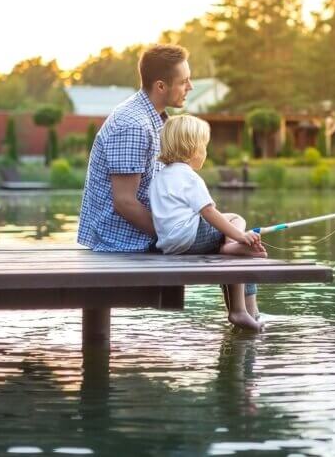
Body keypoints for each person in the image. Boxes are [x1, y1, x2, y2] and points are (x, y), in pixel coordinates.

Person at [149, 114, 267, 331]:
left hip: (170, 245)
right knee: (236, 221)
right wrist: (240, 236)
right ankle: (242, 310)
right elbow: (210, 212)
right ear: (193, 149)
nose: (206, 151)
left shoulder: (159, 178)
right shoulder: (189, 177)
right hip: (190, 238)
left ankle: (251, 310)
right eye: (204, 146)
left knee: (238, 245)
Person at [77, 44, 192, 252]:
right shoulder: (133, 125)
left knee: (235, 236)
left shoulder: (155, 118)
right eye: (184, 82)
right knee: (236, 244)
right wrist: (172, 236)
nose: (190, 87)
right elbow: (124, 203)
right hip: (126, 244)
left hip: (146, 238)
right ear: (160, 86)